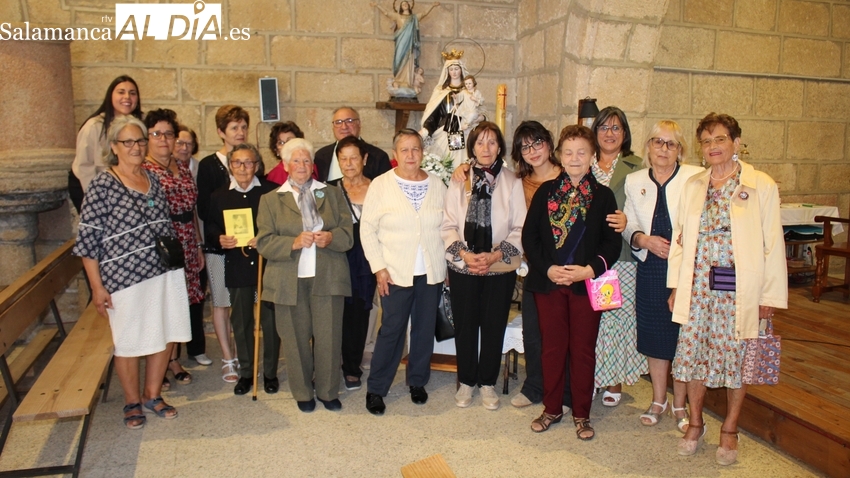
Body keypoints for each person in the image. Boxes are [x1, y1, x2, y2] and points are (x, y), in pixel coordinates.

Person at [668, 113, 787, 464]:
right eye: (706, 141)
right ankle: (696, 423)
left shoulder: (760, 184)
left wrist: (769, 296)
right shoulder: (693, 184)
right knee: (692, 357)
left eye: (720, 139)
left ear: (736, 143)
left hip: (741, 291)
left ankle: (730, 430)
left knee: (738, 360)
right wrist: (676, 285)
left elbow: (772, 244)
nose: (713, 147)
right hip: (698, 287)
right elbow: (679, 240)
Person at [73, 115, 190, 429]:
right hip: (125, 278)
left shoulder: (154, 180)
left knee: (164, 333)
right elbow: (87, 241)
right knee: (128, 340)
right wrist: (98, 287)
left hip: (164, 273)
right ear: (114, 147)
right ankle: (132, 401)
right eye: (128, 142)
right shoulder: (102, 184)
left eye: (140, 141)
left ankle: (152, 394)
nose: (136, 147)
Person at [521, 125, 621, 440]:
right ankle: (552, 408)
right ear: (560, 156)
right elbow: (530, 238)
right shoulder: (545, 192)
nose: (575, 158)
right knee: (551, 348)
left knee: (582, 350)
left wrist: (589, 270)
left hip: (585, 285)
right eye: (568, 152)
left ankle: (581, 413)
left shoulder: (604, 197)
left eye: (581, 152)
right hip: (548, 284)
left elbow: (611, 244)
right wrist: (548, 268)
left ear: (592, 156)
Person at [256, 138, 353, 412]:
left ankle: (328, 390)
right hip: (288, 280)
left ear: (313, 165)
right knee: (295, 339)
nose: (302, 165)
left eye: (307, 160)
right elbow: (263, 242)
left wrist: (331, 237)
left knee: (329, 338)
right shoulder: (270, 200)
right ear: (285, 165)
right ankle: (302, 393)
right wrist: (293, 242)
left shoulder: (331, 194)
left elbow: (348, 236)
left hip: (328, 277)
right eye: (296, 160)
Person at [621, 120, 703, 430]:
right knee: (655, 336)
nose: (663, 149)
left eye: (670, 144)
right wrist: (642, 239)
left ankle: (680, 405)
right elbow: (627, 223)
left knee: (682, 337)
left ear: (680, 150)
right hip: (651, 268)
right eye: (658, 142)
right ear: (648, 147)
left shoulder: (695, 177)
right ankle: (658, 399)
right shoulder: (635, 180)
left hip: (684, 268)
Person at [360, 128, 447, 415]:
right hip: (395, 271)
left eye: (416, 149)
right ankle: (376, 388)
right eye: (405, 150)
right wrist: (379, 268)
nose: (411, 155)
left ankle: (417, 381)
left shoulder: (437, 185)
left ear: (423, 153)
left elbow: (446, 228)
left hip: (431, 271)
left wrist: (445, 265)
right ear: (395, 154)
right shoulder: (382, 185)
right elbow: (367, 229)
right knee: (392, 330)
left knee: (423, 330)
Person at [441, 122, 525, 410]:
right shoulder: (459, 180)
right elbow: (448, 224)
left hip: (498, 266)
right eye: (480, 143)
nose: (486, 148)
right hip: (463, 264)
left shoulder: (513, 182)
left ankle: (487, 382)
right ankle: (467, 381)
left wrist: (493, 256)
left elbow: (519, 227)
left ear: (499, 147)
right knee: (465, 325)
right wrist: (464, 255)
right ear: (472, 148)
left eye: (491, 142)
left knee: (493, 324)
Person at [206, 143, 281, 396]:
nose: (243, 167)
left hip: (267, 266)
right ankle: (247, 372)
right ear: (230, 166)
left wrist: (265, 237)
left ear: (257, 166)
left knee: (270, 323)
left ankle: (270, 372)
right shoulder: (219, 196)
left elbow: (282, 226)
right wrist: (220, 239)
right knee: (241, 321)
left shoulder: (272, 192)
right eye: (237, 162)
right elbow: (211, 229)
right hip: (237, 265)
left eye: (248, 162)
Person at [504, 121, 569, 411]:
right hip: (534, 266)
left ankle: (565, 391)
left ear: (548, 143)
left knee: (563, 332)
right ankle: (534, 387)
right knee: (533, 330)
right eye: (525, 146)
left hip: (567, 267)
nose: (533, 151)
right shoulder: (518, 182)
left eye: (537, 143)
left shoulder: (569, 176)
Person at [141, 109, 205, 390]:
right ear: (147, 138)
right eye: (157, 133)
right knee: (160, 307)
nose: (164, 139)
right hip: (161, 244)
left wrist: (199, 245)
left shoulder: (182, 166)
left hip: (187, 241)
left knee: (180, 305)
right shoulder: (145, 169)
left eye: (168, 133)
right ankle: (159, 364)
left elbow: (191, 210)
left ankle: (174, 358)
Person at [589, 106, 647, 407]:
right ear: (595, 132)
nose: (609, 133)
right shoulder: (583, 164)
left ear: (624, 134)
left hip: (620, 257)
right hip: (589, 256)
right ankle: (593, 376)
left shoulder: (636, 167)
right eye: (604, 127)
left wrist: (629, 222)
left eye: (616, 128)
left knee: (614, 319)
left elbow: (646, 211)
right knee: (593, 319)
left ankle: (613, 381)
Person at [196, 105, 249, 382]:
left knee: (243, 302)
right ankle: (228, 358)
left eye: (243, 127)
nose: (239, 132)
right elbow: (205, 210)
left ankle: (244, 354)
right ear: (221, 132)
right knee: (221, 302)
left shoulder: (251, 158)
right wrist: (219, 237)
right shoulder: (208, 165)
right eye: (233, 128)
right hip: (220, 246)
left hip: (244, 247)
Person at [326, 136, 378, 391]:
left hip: (365, 263)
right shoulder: (328, 190)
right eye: (343, 158)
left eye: (353, 157)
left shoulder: (378, 188)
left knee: (358, 315)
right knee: (333, 316)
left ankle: (351, 367)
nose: (348, 163)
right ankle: (326, 367)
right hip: (335, 261)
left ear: (364, 159)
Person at [69, 76, 142, 212]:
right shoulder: (94, 126)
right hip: (90, 187)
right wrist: (97, 199)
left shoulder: (139, 126)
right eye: (121, 92)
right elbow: (84, 166)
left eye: (132, 93)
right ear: (110, 96)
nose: (127, 97)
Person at [420, 51, 480, 170]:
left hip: (465, 130)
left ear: (461, 70)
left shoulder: (469, 91)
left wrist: (479, 117)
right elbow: (433, 114)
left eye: (456, 68)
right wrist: (426, 129)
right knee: (447, 164)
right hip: (445, 130)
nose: (454, 72)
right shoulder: (440, 91)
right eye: (451, 69)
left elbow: (479, 109)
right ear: (447, 71)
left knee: (464, 162)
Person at [370, 1, 440, 97]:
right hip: (401, 42)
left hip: (410, 44)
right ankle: (398, 80)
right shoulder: (397, 16)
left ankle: (407, 82)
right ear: (401, 7)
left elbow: (424, 14)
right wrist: (377, 5)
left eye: (406, 4)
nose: (405, 5)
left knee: (408, 62)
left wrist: (432, 6)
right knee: (398, 60)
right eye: (402, 4)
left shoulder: (414, 18)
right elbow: (386, 13)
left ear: (409, 6)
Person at [314, 107, 392, 182]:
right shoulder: (320, 156)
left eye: (349, 121)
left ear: (359, 124)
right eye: (338, 122)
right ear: (333, 127)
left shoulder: (378, 157)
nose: (344, 127)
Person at [266, 121, 319, 185]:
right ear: (276, 149)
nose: (286, 145)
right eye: (281, 143)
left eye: (290, 140)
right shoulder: (274, 175)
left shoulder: (311, 167)